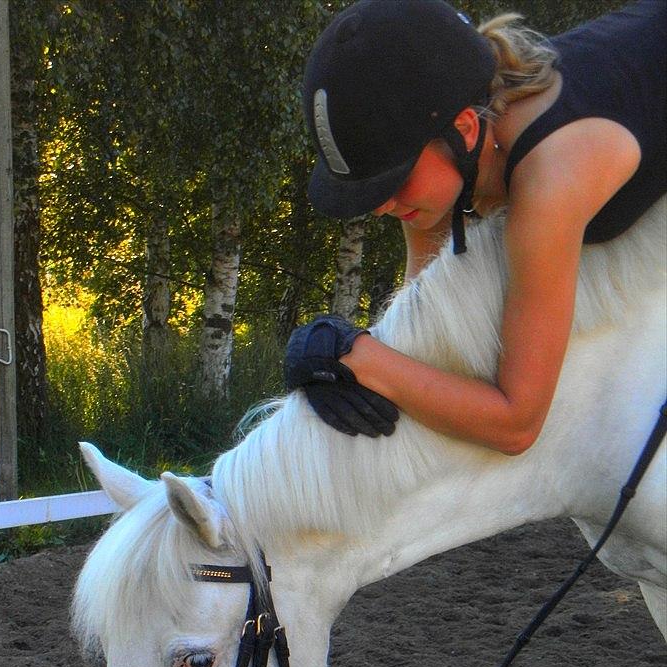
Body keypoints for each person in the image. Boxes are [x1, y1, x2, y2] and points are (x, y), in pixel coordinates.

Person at [284, 0, 666, 453]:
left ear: (464, 129)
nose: (383, 207)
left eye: (395, 179)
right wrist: (347, 356)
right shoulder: (451, 147)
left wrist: (353, 355)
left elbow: (516, 424)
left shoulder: (551, 179)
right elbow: (420, 327)